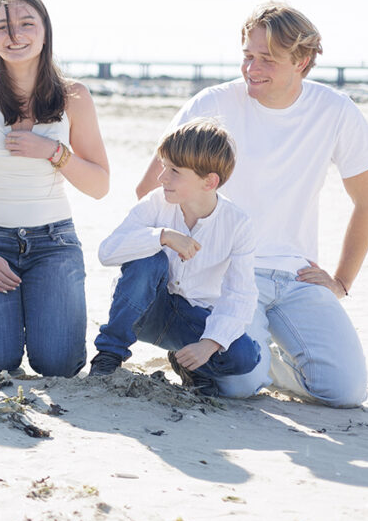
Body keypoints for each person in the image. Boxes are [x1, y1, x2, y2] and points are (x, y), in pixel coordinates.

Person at [133, 2, 368, 407]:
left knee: (344, 393)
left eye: (267, 59)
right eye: (248, 56)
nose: (252, 68)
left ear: (302, 61)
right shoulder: (213, 104)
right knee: (238, 388)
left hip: (296, 276)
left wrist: (342, 281)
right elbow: (152, 188)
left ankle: (264, 362)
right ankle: (230, 361)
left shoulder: (335, 110)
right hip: (228, 275)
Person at [0, 0, 110, 377]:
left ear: (45, 32)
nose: (14, 35)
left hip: (53, 243)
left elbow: (100, 185)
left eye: (26, 24)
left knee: (59, 365)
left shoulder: (74, 97)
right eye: (3, 27)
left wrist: (53, 152)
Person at [92, 118, 261, 393]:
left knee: (245, 356)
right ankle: (109, 355)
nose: (161, 178)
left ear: (210, 182)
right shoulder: (156, 203)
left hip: (191, 319)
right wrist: (163, 236)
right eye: (163, 166)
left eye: (174, 171)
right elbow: (107, 252)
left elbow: (240, 295)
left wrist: (209, 344)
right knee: (150, 259)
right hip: (144, 310)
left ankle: (189, 364)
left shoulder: (237, 224)